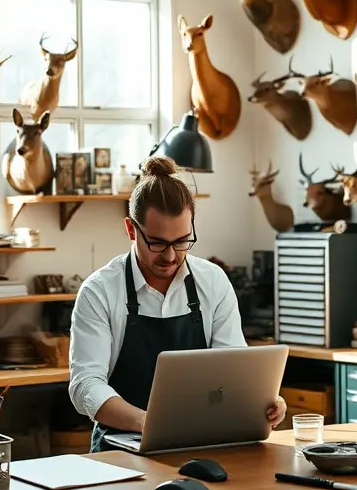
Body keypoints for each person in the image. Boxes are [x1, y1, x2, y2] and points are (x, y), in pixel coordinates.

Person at [68, 156, 287, 453]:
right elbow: (86, 387)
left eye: (182, 241)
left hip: (202, 445)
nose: (170, 256)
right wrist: (147, 422)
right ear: (132, 230)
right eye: (157, 243)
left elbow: (233, 369)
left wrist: (264, 400)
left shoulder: (213, 281)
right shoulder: (99, 291)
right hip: (119, 452)